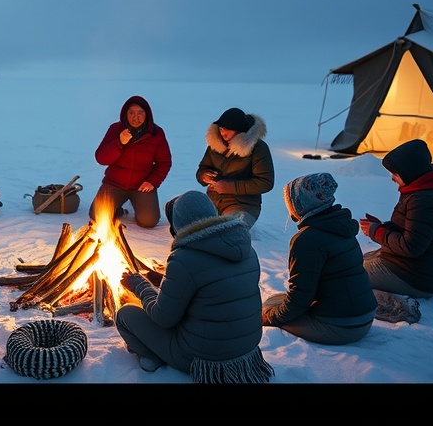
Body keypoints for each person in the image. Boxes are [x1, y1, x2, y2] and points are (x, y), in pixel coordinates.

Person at [116, 190, 274, 383]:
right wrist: (165, 281)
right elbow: (213, 289)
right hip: (246, 352)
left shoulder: (185, 258)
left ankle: (152, 357)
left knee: (125, 315)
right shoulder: (246, 249)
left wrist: (140, 286)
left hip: (204, 359)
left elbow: (163, 318)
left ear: (180, 225)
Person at [262, 173, 377, 345]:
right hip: (364, 318)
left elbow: (300, 297)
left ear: (302, 203)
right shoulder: (340, 226)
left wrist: (267, 318)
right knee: (275, 300)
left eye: (289, 201)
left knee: (267, 308)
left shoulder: (307, 239)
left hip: (340, 327)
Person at [359, 138, 433, 323]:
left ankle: (398, 307)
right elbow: (413, 230)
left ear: (409, 172)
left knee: (345, 276)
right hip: (414, 268)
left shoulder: (424, 200)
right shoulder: (424, 191)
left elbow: (411, 246)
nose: (392, 178)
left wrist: (377, 232)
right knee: (355, 262)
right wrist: (383, 227)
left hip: (415, 276)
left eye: (395, 173)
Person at [89, 95, 172, 228]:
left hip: (141, 186)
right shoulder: (116, 129)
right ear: (125, 114)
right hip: (114, 184)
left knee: (148, 221)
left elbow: (164, 162)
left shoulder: (156, 134)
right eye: (131, 112)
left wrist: (152, 181)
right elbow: (101, 158)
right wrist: (119, 142)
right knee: (97, 215)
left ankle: (136, 204)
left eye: (140, 113)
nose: (136, 117)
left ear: (147, 115)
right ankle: (118, 208)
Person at [196, 107, 274, 230]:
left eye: (228, 130)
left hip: (242, 205)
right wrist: (204, 176)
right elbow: (202, 169)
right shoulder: (215, 145)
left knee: (228, 229)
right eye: (221, 129)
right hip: (213, 202)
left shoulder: (258, 148)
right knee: (187, 220)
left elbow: (265, 182)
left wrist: (229, 187)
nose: (223, 134)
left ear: (240, 131)